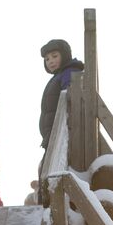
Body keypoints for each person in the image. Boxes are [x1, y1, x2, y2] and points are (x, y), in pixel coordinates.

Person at [37, 39, 84, 204]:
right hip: (51, 134)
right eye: (47, 59)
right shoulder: (57, 76)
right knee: (44, 168)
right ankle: (44, 205)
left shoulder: (69, 72)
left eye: (54, 56)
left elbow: (69, 93)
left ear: (64, 56)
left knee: (49, 170)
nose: (50, 61)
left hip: (60, 133)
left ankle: (48, 205)